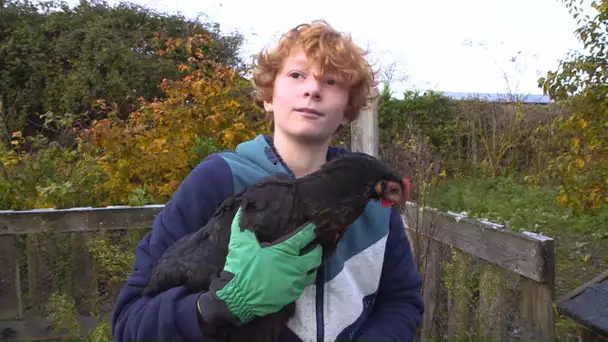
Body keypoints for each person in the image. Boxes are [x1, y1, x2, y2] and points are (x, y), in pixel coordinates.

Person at [111, 19, 424, 341]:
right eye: (296, 75)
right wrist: (213, 309)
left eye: (331, 82)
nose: (313, 89)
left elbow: (401, 303)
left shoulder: (376, 210)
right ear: (268, 96)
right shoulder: (218, 179)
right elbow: (131, 323)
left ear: (347, 109)